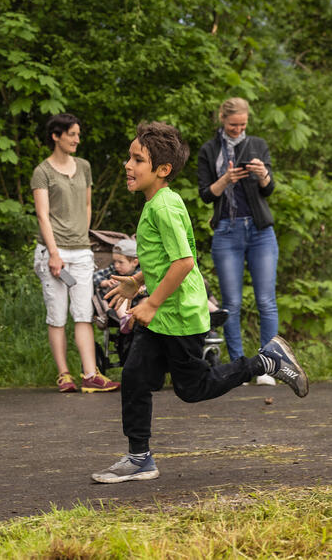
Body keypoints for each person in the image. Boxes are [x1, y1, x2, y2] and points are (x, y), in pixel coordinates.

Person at [93, 121, 308, 484]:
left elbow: (184, 263)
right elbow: (171, 256)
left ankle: (266, 360)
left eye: (137, 159)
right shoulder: (161, 201)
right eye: (129, 157)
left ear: (162, 170)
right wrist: (137, 280)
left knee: (193, 389)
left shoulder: (162, 207)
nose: (127, 166)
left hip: (179, 314)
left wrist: (152, 302)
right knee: (134, 376)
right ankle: (140, 458)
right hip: (166, 312)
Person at [31, 114, 119, 394]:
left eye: (78, 134)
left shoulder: (84, 167)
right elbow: (43, 216)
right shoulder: (42, 172)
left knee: (83, 314)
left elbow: (88, 205)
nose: (77, 139)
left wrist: (82, 235)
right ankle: (64, 375)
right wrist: (54, 254)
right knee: (57, 315)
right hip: (53, 252)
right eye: (71, 134)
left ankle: (91, 374)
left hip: (82, 251)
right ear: (56, 136)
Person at [196, 97, 280, 385]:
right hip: (227, 232)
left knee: (266, 301)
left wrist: (263, 175)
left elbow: (269, 190)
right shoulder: (209, 150)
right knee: (230, 303)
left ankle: (269, 367)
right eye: (233, 124)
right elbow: (206, 194)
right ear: (222, 117)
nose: (238, 129)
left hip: (260, 232)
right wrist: (226, 179)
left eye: (243, 124)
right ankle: (239, 369)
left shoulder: (258, 144)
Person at [92, 238, 144, 330]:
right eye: (115, 261)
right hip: (119, 301)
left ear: (134, 262)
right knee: (122, 295)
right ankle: (125, 319)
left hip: (137, 300)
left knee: (145, 299)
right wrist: (104, 282)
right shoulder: (113, 270)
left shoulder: (140, 272)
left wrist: (142, 288)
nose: (116, 265)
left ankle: (141, 318)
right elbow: (96, 275)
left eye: (120, 262)